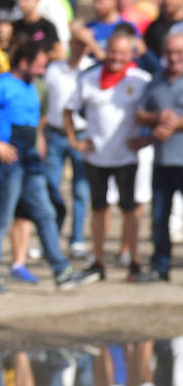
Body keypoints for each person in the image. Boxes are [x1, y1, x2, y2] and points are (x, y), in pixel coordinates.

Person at [0, 42, 84, 293]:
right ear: (24, 62)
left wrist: (39, 144)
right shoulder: (2, 84)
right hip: (7, 163)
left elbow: (33, 123)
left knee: (45, 213)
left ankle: (61, 270)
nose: (43, 68)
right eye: (39, 63)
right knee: (1, 220)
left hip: (30, 161)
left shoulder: (32, 87)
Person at [64, 29, 153, 282]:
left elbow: (157, 110)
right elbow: (68, 109)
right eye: (112, 51)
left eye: (122, 53)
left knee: (130, 210)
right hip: (97, 156)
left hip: (127, 156)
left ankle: (134, 262)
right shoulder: (89, 78)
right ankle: (98, 261)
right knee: (99, 209)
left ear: (130, 54)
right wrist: (74, 140)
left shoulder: (141, 79)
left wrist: (147, 138)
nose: (115, 57)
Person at [133, 31, 183, 283]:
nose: (174, 58)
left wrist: (175, 124)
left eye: (179, 53)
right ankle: (160, 266)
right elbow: (139, 114)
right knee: (159, 217)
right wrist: (156, 119)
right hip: (163, 160)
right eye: (170, 52)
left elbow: (174, 123)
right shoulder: (156, 81)